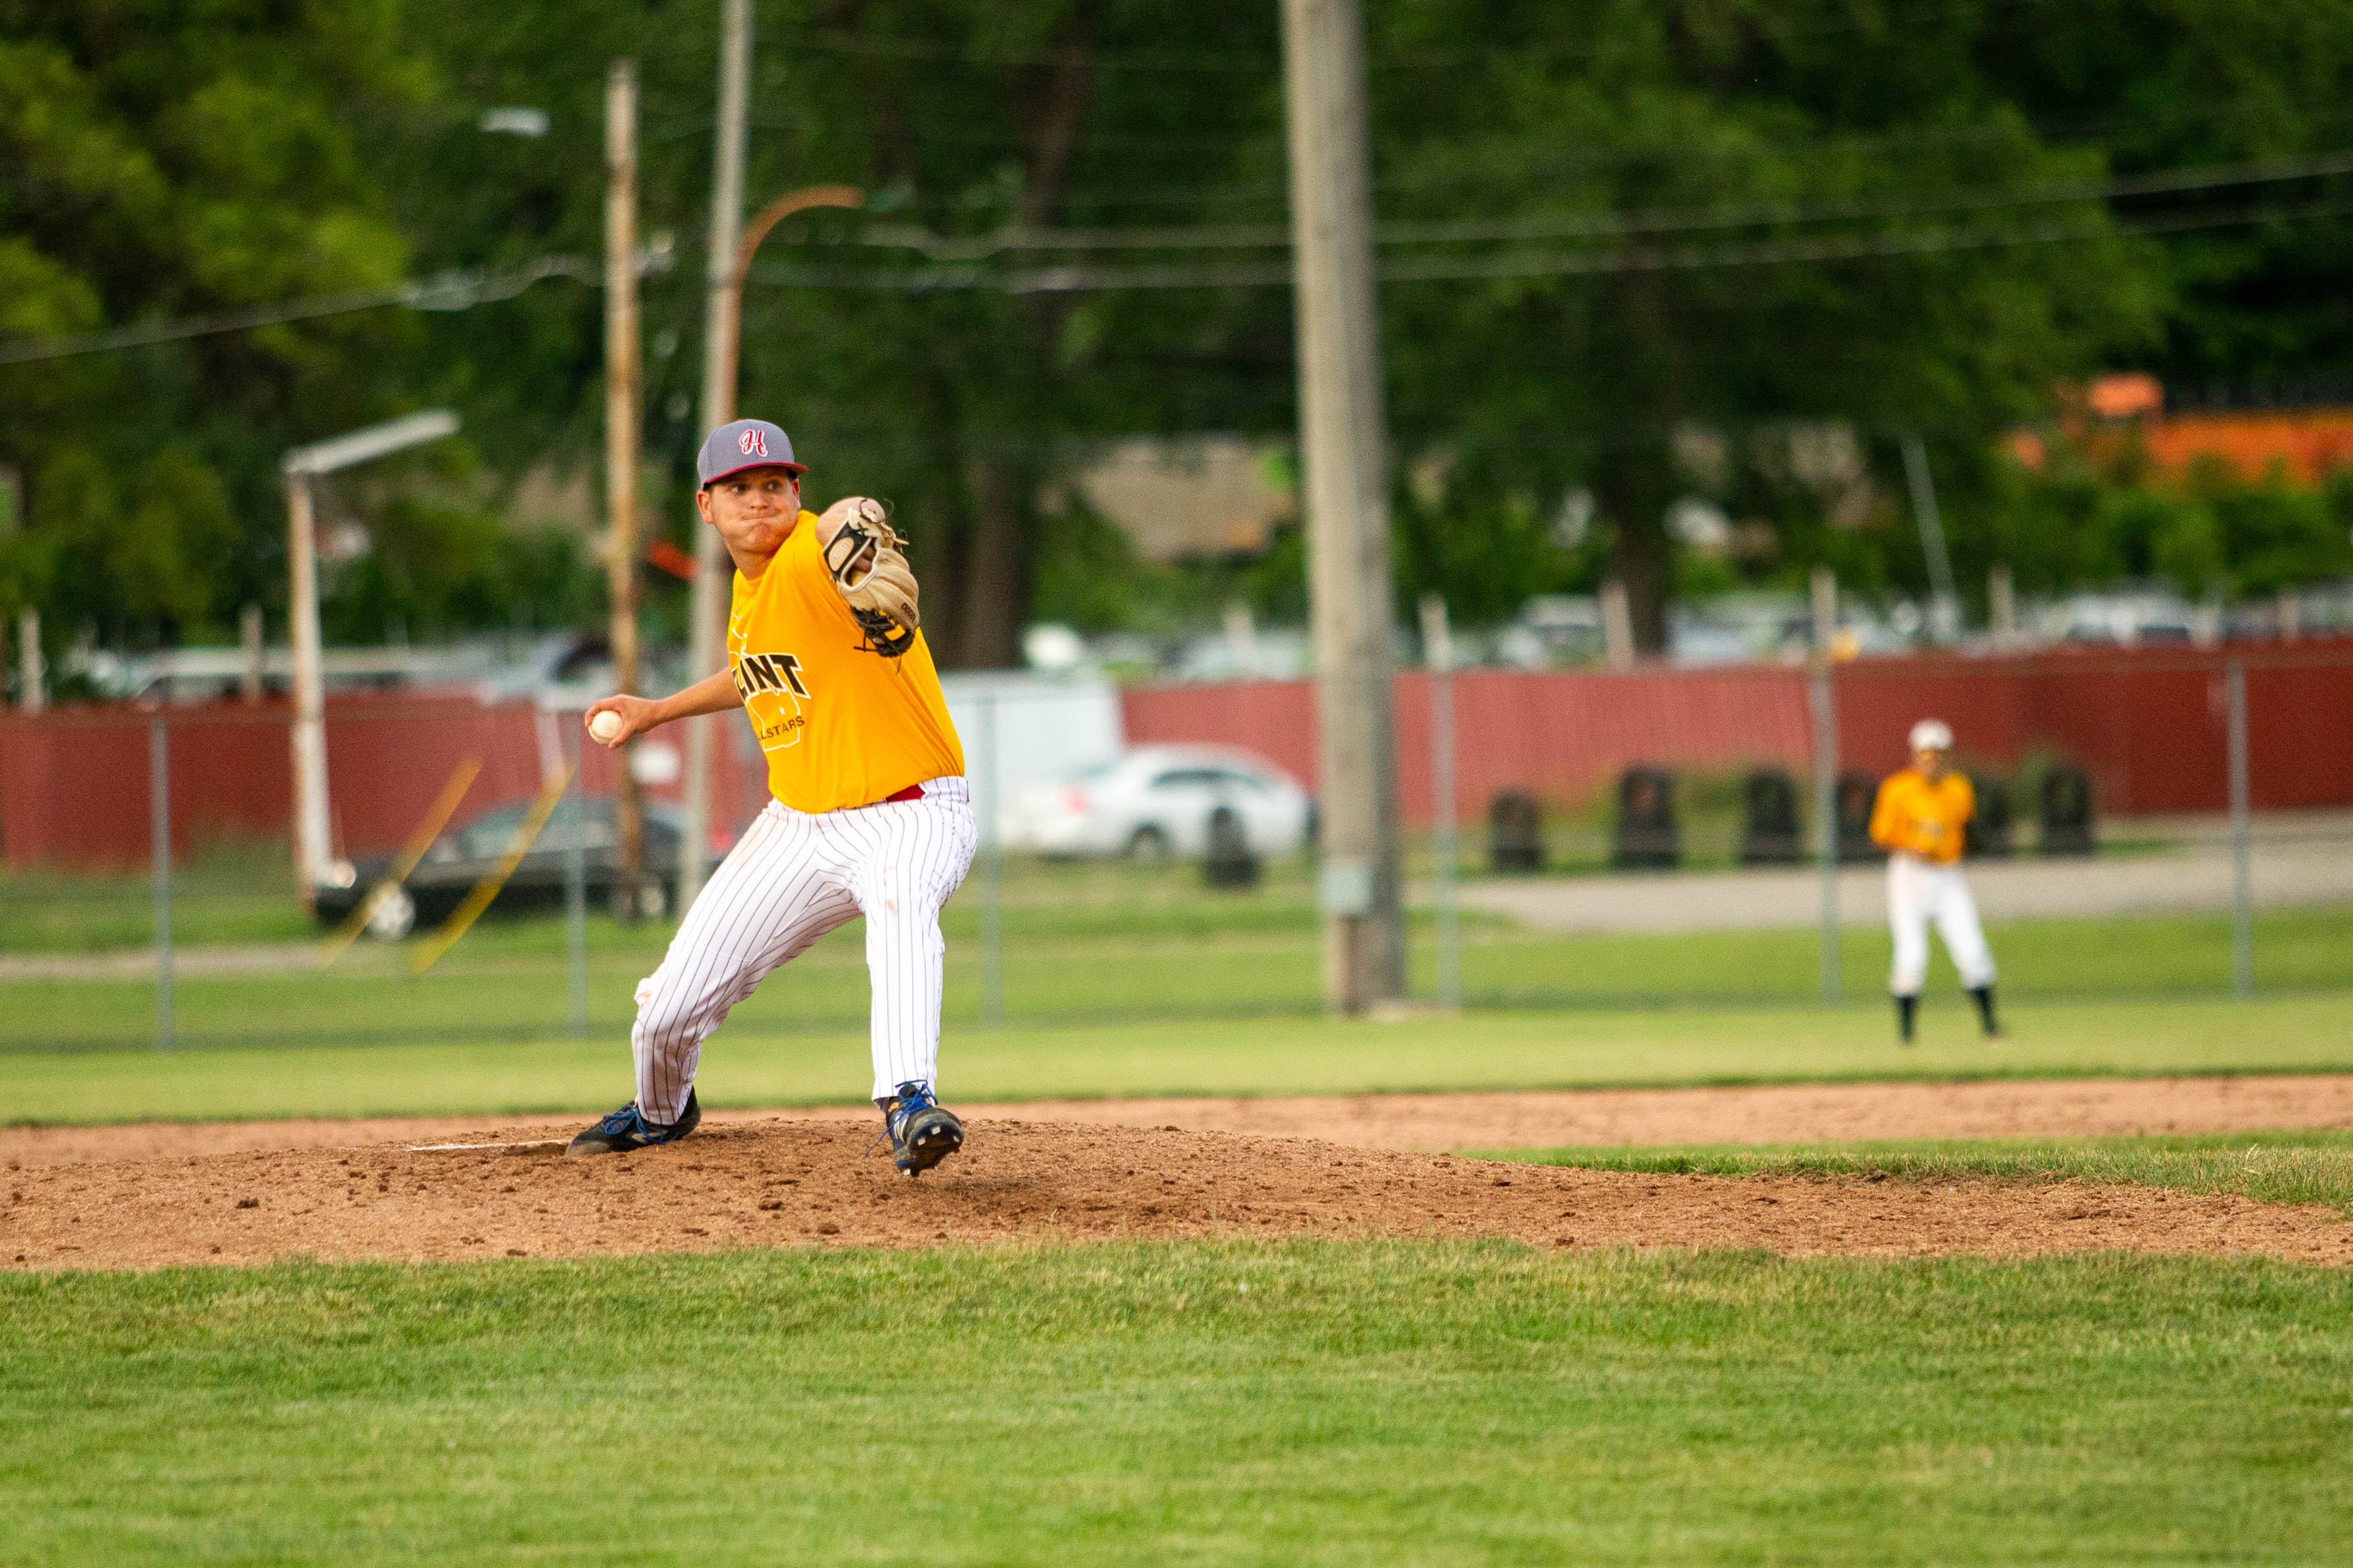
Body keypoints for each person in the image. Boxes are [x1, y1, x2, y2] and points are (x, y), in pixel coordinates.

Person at [567, 418, 976, 1174]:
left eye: (774, 486)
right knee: (666, 1012)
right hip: (797, 826)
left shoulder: (809, 552)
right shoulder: (748, 593)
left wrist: (859, 520)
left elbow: (852, 517)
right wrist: (655, 711)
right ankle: (661, 1112)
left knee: (898, 902)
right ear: (706, 505)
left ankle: (908, 1099)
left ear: (796, 494)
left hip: (912, 809)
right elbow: (756, 670)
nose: (759, 501)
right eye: (739, 488)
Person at [1868, 719, 2001, 1044]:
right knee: (1911, 956)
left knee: (1973, 951)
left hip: (1948, 875)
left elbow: (1968, 832)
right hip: (1909, 875)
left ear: (1947, 755)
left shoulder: (1959, 789)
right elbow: (1879, 836)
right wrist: (1909, 847)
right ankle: (1906, 1035)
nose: (1932, 760)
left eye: (1938, 754)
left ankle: (1990, 1028)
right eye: (1926, 754)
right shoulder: (1898, 788)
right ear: (1914, 756)